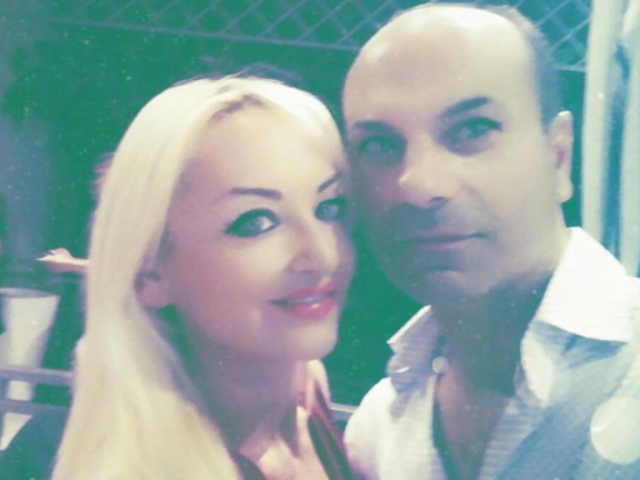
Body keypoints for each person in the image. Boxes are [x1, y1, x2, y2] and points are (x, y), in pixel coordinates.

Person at [2, 75, 355, 480]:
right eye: (256, 222)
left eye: (329, 208)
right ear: (150, 271)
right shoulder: (72, 461)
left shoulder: (309, 398)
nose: (323, 254)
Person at [342, 3, 640, 480]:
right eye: (379, 145)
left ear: (558, 155)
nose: (419, 185)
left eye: (472, 129)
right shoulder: (376, 433)